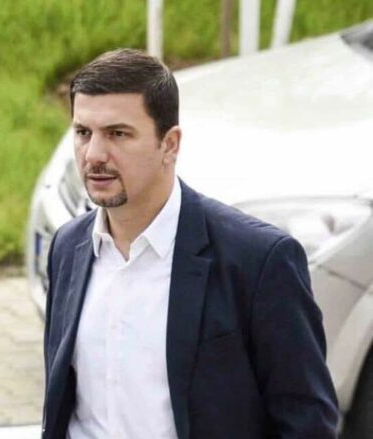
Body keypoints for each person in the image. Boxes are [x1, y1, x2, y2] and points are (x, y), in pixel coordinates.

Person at [41, 49, 338, 438]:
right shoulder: (68, 247)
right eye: (83, 133)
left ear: (170, 144)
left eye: (117, 134)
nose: (94, 155)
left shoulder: (258, 261)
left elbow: (307, 422)